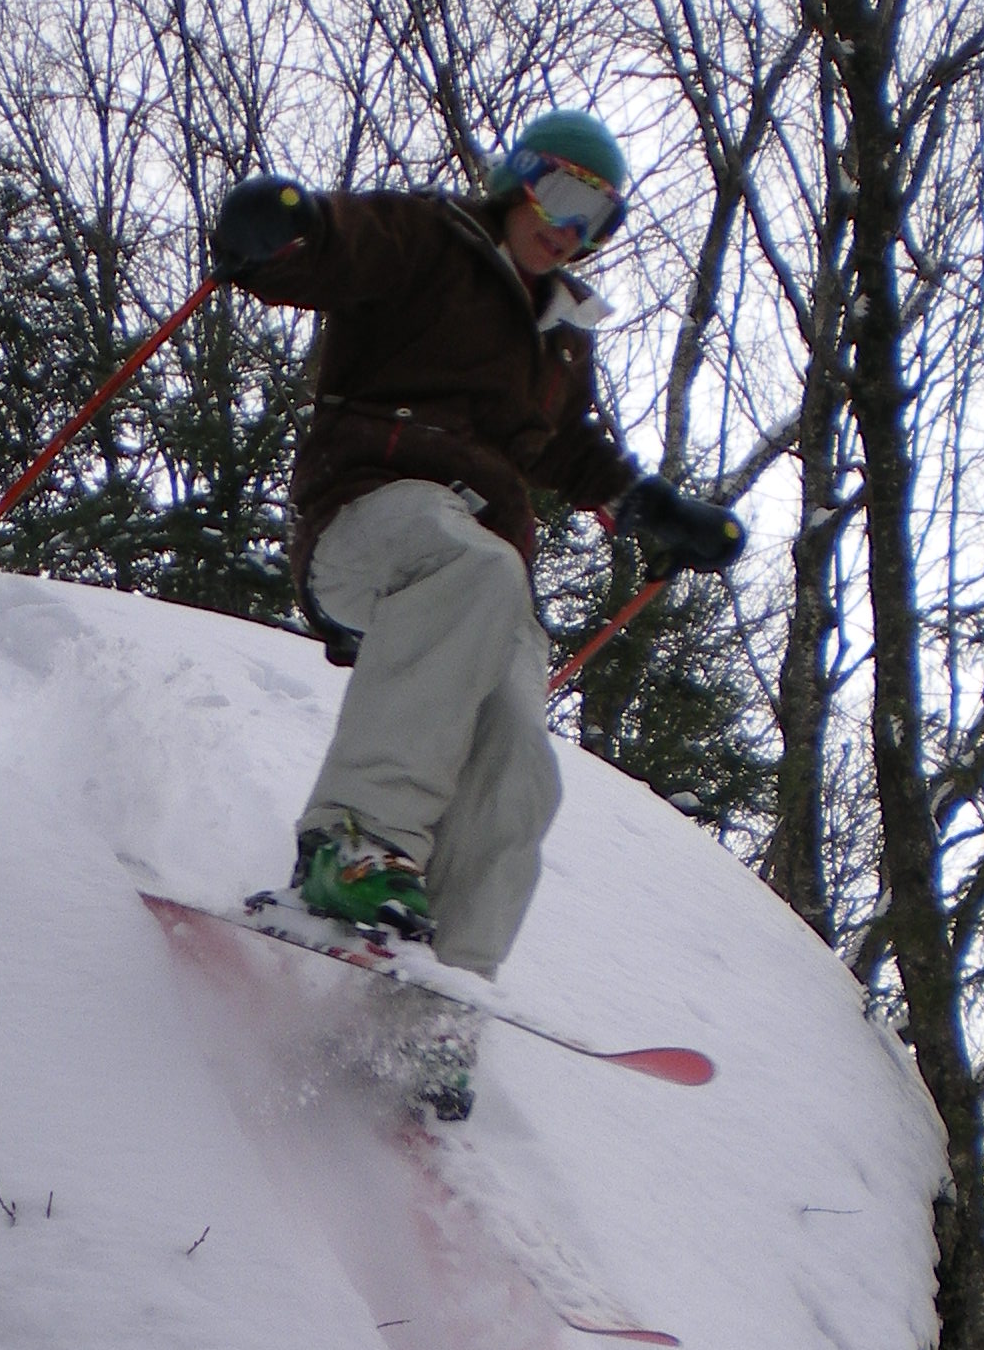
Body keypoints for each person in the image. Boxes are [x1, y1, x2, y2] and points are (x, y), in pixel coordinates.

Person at [210, 109, 741, 981]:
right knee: (476, 561)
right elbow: (336, 249)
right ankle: (353, 843)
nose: (571, 232)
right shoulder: (430, 239)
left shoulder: (560, 338)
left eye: (597, 220)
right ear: (517, 179)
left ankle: (444, 994)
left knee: (520, 765)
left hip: (479, 577)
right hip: (370, 519)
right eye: (565, 195)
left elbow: (569, 452)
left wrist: (650, 508)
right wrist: (280, 232)